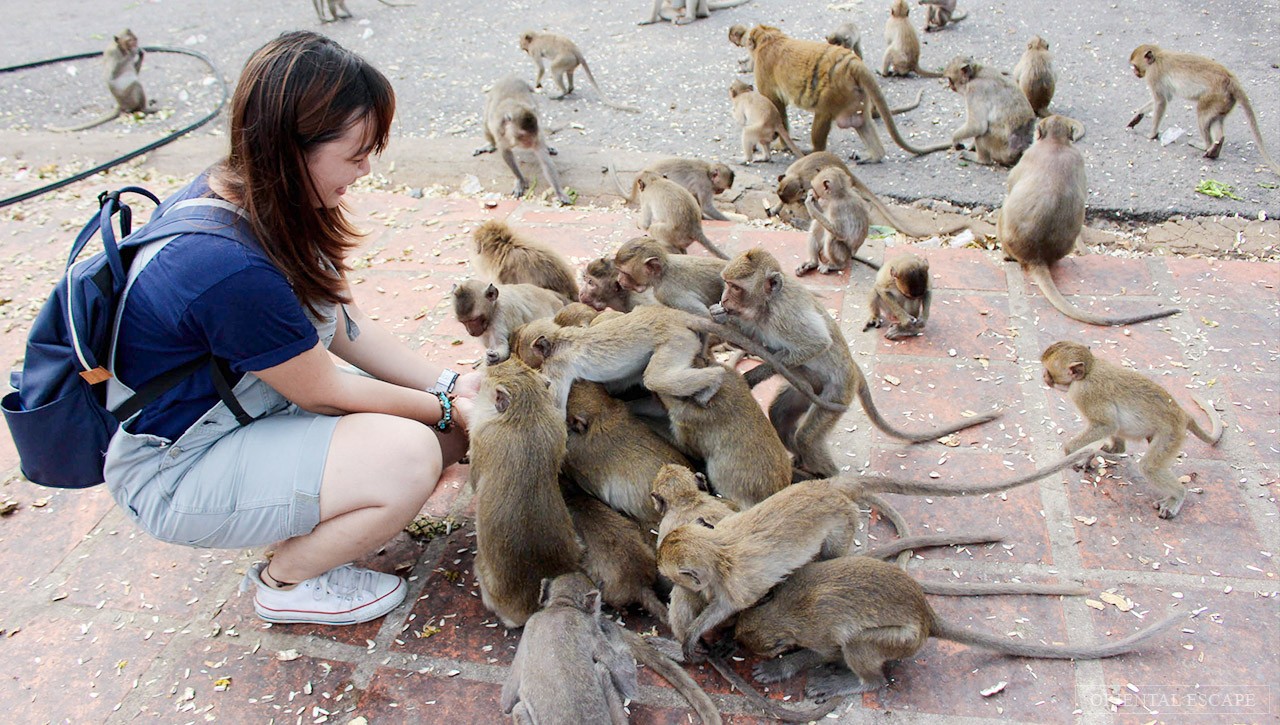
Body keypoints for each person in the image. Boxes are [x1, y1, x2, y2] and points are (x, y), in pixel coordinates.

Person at [103, 31, 477, 626]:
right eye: (355, 154)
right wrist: (444, 406)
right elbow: (325, 388)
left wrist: (452, 386)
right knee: (409, 456)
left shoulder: (266, 199)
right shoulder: (222, 263)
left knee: (448, 436)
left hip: (246, 413)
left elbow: (344, 328)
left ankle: (300, 502)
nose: (366, 168)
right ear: (290, 146)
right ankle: (288, 581)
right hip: (174, 470)